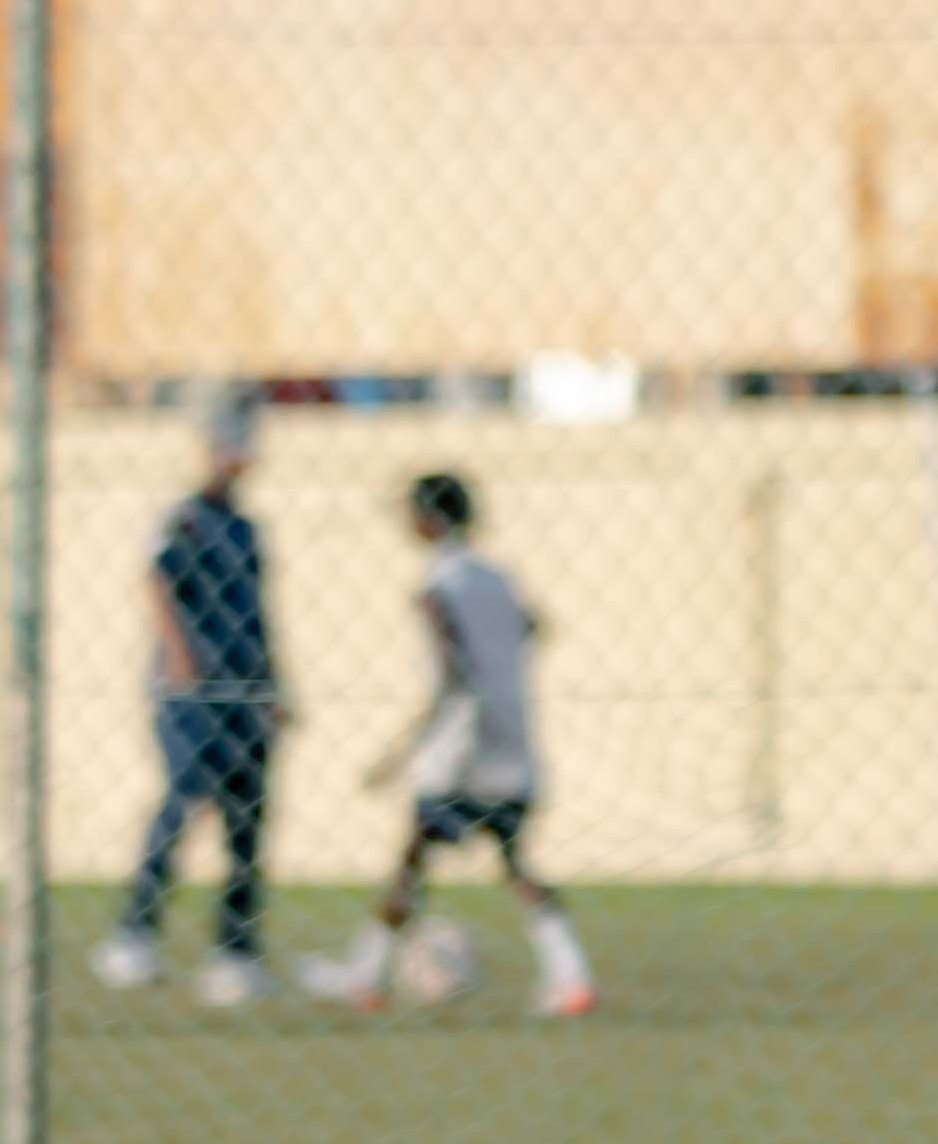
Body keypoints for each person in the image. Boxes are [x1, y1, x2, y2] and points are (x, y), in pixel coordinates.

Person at [300, 471, 595, 1016]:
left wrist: (401, 751)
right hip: (510, 732)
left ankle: (366, 977)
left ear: (429, 520)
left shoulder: (438, 585)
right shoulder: (497, 578)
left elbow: (448, 671)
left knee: (413, 861)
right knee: (513, 859)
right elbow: (535, 628)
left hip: (460, 742)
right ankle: (570, 974)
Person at [102, 390, 285, 1006]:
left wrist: (274, 683)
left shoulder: (247, 529)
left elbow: (260, 612)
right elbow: (158, 579)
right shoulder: (183, 518)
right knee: (181, 802)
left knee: (246, 821)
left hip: (246, 689)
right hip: (195, 693)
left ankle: (235, 949)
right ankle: (134, 933)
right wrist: (178, 654)